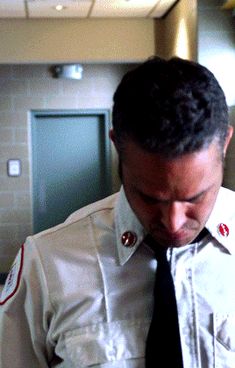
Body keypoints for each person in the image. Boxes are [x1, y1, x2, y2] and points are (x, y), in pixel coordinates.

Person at [0, 56, 234, 368]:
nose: (173, 222)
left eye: (195, 197)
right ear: (117, 147)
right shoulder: (47, 263)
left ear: (226, 144)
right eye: (150, 197)